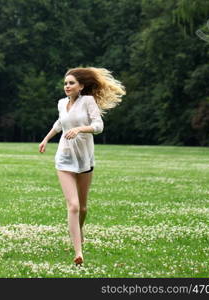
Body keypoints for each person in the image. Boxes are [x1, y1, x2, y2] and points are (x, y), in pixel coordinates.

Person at [39, 67, 126, 266]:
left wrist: (79, 129)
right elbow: (60, 123)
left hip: (85, 160)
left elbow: (98, 126)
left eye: (71, 83)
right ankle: (78, 251)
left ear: (81, 86)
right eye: (65, 83)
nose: (67, 86)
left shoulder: (88, 102)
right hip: (64, 158)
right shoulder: (62, 103)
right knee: (74, 205)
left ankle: (79, 232)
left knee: (84, 208)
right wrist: (45, 139)